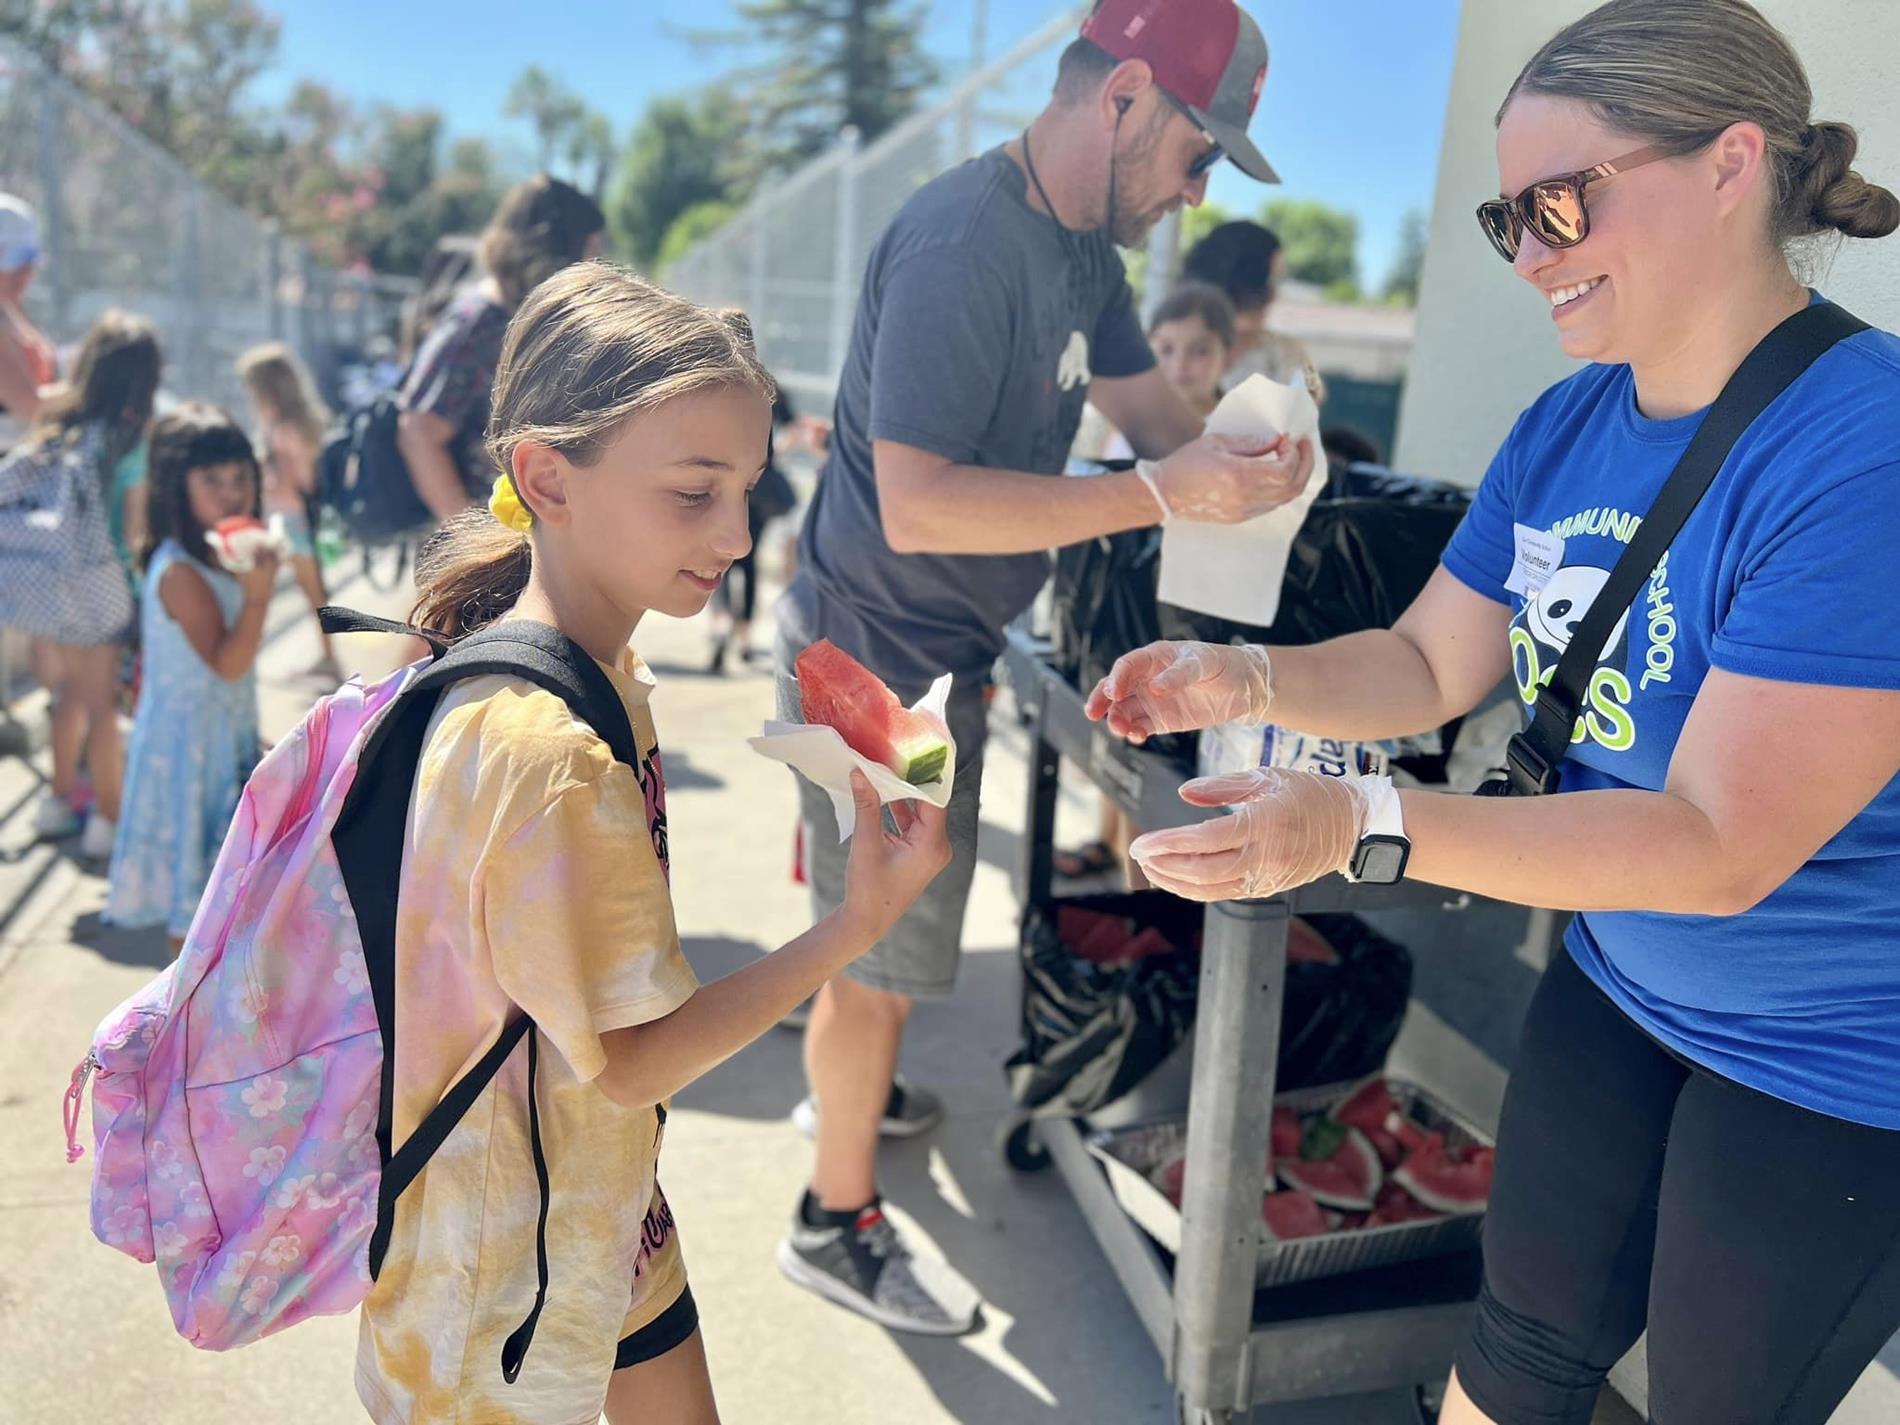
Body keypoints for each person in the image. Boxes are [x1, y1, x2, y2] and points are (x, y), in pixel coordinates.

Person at [1088, 2, 1900, 1420]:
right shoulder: (1565, 427)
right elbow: (1424, 663)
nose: (1531, 258)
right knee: (1517, 1343)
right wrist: (1255, 679)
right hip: (1620, 979)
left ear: (1729, 164)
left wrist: (1362, 822)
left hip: (1832, 1049)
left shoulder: (1862, 448)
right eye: (1503, 219)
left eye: (1562, 203)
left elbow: (1719, 842)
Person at [773, 0, 1310, 1334]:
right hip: (872, 656)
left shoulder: (1084, 253)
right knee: (876, 952)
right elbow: (922, 505)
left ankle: (858, 1078)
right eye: (1198, 155)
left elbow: (1152, 420)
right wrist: (1160, 496)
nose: (1195, 195)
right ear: (1124, 96)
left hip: (937, 648)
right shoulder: (966, 241)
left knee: (882, 943)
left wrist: (1243, 464)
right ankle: (830, 1220)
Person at [355, 260, 949, 1425]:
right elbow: (631, 1061)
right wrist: (859, 922)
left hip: (593, 1206)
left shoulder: (588, 672)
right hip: (502, 1286)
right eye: (693, 493)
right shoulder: (553, 753)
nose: (737, 532)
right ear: (546, 476)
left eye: (748, 489)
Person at [1057, 280, 1239, 882]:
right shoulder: (1120, 424)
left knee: (1155, 754)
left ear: (1226, 358)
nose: (1180, 365)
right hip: (1118, 605)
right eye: (1165, 349)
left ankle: (1145, 886)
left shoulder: (1233, 430)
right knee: (1113, 729)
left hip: (1186, 611)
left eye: (1198, 351)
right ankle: (1108, 841)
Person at [103, 406, 272, 951]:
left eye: (240, 478)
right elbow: (229, 663)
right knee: (196, 903)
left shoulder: (217, 554)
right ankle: (184, 1016)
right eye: (213, 482)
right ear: (178, 490)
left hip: (220, 736)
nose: (232, 494)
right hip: (189, 754)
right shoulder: (180, 571)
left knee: (219, 894)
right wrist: (260, 594)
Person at [5, 310, 162, 859]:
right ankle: (107, 821)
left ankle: (56, 803)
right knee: (101, 707)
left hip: (48, 581)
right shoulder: (130, 440)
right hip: (102, 587)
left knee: (66, 697)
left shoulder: (57, 426)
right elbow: (136, 527)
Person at [396, 175, 606, 523]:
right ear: (557, 250)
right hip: (496, 542)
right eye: (589, 250)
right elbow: (419, 430)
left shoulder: (515, 315)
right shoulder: (479, 324)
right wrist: (468, 537)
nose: (594, 264)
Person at [238, 341, 341, 681]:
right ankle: (326, 657)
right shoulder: (283, 422)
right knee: (296, 590)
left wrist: (273, 467)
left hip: (291, 518)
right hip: (282, 516)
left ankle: (329, 659)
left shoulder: (287, 428)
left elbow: (304, 479)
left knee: (306, 590)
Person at [1182, 217, 1326, 402]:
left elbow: (1304, 417)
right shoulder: (1166, 349)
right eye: (1268, 282)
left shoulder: (1290, 355)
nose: (1273, 296)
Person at [706, 387, 798, 673]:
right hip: (760, 485)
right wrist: (777, 451)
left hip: (727, 482)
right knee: (749, 562)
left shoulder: (729, 390)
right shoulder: (774, 392)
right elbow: (793, 427)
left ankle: (721, 623)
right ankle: (744, 639)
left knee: (716, 557)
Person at [0, 194, 55, 455]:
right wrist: (97, 386)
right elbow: (30, 405)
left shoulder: (11, 307)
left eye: (29, 261)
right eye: (15, 261)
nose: (26, 272)